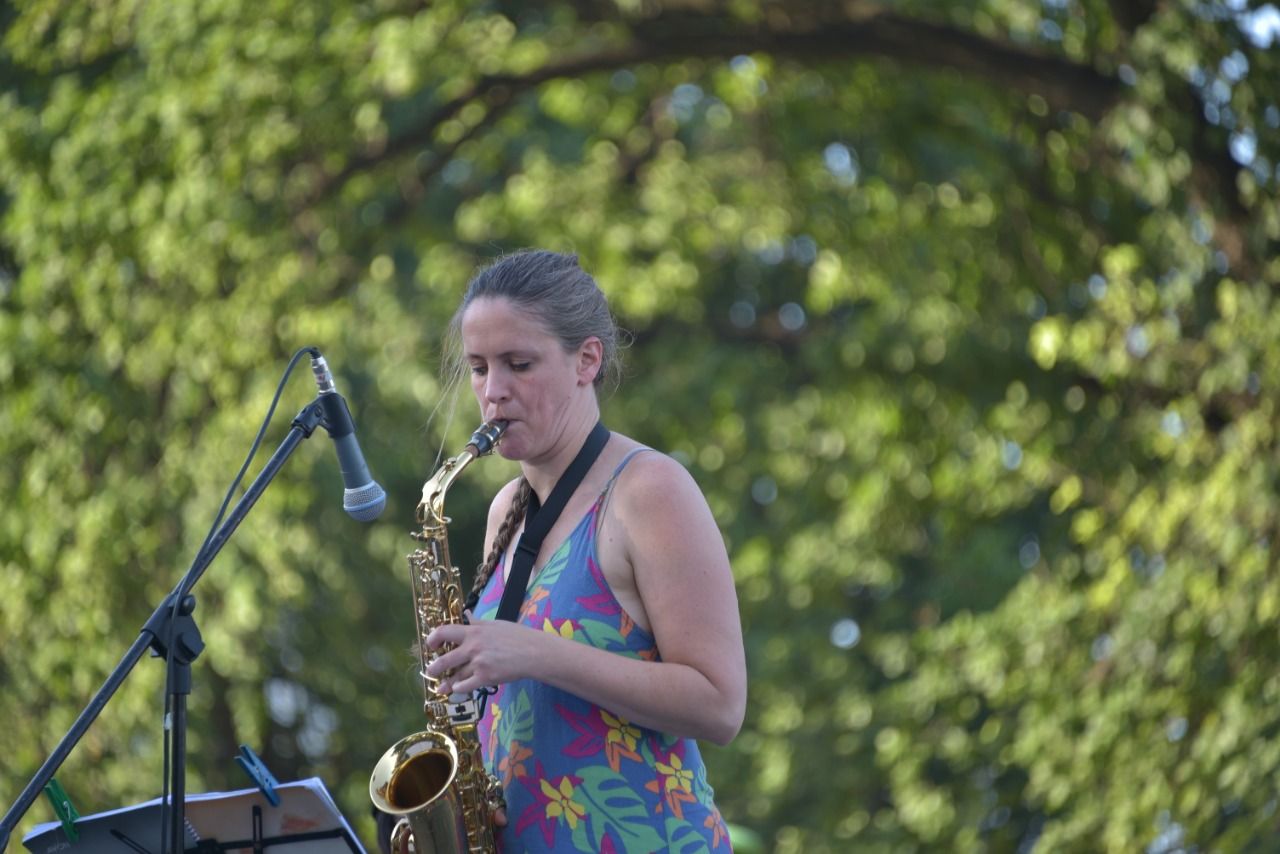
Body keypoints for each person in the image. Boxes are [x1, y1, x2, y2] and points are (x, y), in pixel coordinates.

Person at [422, 249, 747, 853]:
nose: (493, 391)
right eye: (478, 367)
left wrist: (535, 652)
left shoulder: (649, 489)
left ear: (586, 360)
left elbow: (720, 703)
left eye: (519, 364)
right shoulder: (505, 511)